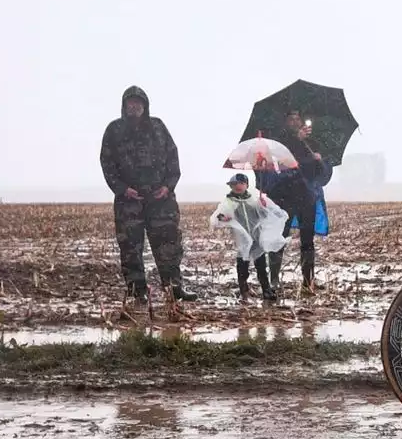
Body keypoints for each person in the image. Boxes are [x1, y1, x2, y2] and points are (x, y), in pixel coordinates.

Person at [99, 85, 198, 309]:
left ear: (145, 105)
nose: (134, 107)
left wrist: (168, 186)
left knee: (169, 246)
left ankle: (174, 289)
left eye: (138, 103)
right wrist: (123, 189)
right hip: (129, 202)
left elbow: (173, 157)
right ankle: (137, 293)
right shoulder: (114, 130)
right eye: (130, 104)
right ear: (124, 106)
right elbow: (107, 164)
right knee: (131, 248)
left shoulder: (158, 127)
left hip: (160, 199)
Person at [256, 110, 328, 293]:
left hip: (307, 197)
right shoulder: (277, 142)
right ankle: (274, 281)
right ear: (285, 122)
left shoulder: (313, 143)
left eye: (298, 119)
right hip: (284, 197)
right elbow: (285, 164)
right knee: (280, 237)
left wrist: (320, 162)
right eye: (291, 119)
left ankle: (308, 281)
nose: (295, 122)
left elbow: (322, 175)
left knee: (307, 240)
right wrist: (297, 140)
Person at [209, 173, 287, 302]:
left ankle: (266, 291)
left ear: (246, 185)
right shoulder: (229, 201)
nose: (237, 186)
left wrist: (264, 205)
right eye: (234, 184)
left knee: (261, 265)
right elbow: (217, 217)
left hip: (256, 238)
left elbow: (268, 213)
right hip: (242, 240)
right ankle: (244, 292)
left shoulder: (255, 199)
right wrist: (223, 217)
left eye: (240, 183)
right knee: (243, 266)